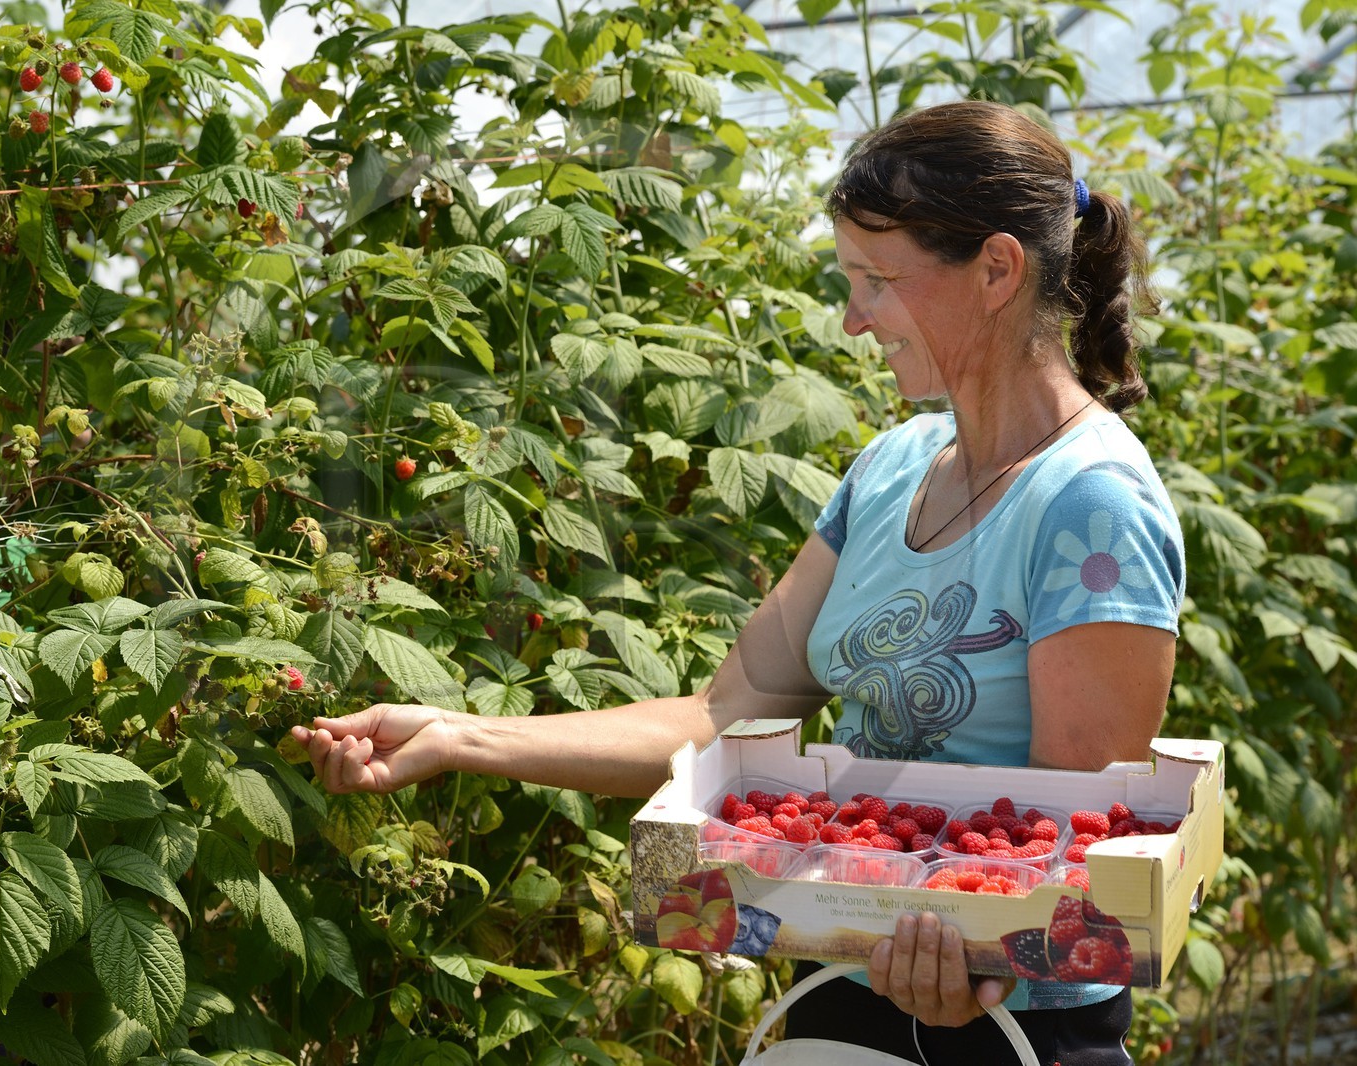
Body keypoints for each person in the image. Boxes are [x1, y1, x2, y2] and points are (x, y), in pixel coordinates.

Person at [291, 100, 1183, 1066]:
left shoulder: (1090, 504)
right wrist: (460, 735)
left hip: (1017, 1026)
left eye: (877, 281)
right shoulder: (890, 471)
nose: (852, 320)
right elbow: (730, 710)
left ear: (998, 270)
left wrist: (977, 960)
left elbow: (1074, 849)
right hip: (844, 972)